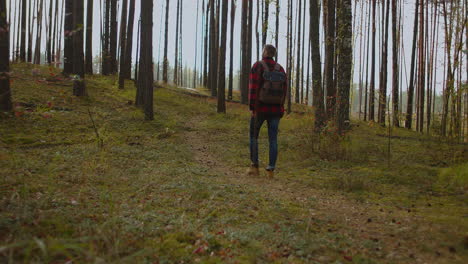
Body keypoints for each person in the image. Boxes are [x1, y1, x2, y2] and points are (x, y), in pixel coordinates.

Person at [247, 45, 288, 178]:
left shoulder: (258, 66)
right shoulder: (280, 68)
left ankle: (254, 167)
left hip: (260, 109)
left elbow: (253, 89)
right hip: (275, 110)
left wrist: (253, 108)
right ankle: (271, 170)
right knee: (273, 140)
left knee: (254, 137)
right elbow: (284, 91)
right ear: (274, 54)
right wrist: (281, 108)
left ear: (264, 52)